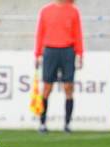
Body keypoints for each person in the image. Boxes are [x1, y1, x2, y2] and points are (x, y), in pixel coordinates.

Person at [34, 0, 84, 133]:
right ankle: (43, 123)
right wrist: (37, 54)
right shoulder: (45, 10)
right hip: (50, 51)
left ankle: (67, 124)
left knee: (68, 87)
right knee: (47, 88)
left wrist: (80, 53)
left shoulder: (73, 11)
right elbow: (40, 33)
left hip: (68, 50)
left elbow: (78, 33)